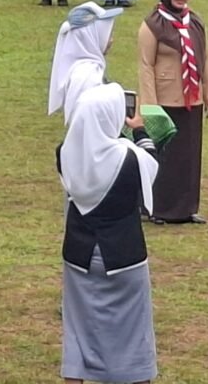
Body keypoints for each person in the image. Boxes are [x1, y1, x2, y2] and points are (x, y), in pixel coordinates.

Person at [58, 83, 159, 384]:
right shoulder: (128, 158)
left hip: (79, 253)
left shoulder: (65, 153)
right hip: (124, 254)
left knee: (78, 329)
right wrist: (139, 130)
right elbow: (152, 163)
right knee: (134, 330)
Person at [138, 0, 208, 224]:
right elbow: (146, 65)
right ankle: (158, 208)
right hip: (165, 99)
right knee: (166, 156)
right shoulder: (152, 25)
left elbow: (204, 57)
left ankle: (186, 207)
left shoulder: (195, 22)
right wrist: (150, 105)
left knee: (189, 155)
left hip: (191, 97)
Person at [48, 2, 123, 126]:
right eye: (108, 35)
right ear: (91, 36)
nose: (111, 40)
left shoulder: (83, 70)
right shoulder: (86, 77)